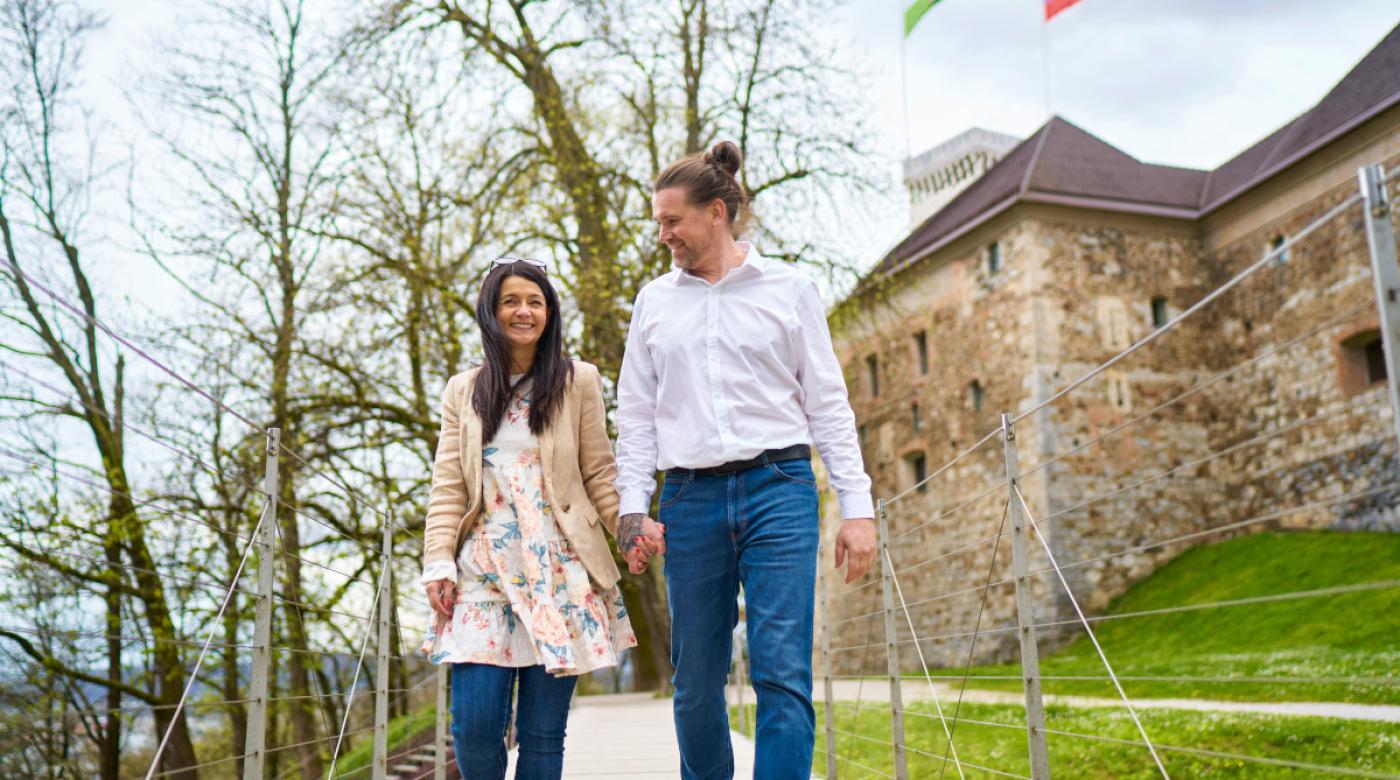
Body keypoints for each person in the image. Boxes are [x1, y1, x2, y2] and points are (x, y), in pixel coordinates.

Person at [615, 141, 878, 780]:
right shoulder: (654, 302)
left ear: (716, 213)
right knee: (696, 680)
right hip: (689, 498)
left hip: (779, 488)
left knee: (781, 669)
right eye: (658, 222)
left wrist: (858, 507)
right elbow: (636, 419)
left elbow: (828, 404)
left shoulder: (790, 290)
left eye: (671, 220)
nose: (663, 234)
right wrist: (632, 508)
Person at [420, 258, 664, 780]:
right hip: (483, 573)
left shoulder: (579, 381)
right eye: (510, 301)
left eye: (535, 301)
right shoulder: (463, 390)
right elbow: (448, 486)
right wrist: (438, 560)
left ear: (549, 311)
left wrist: (628, 529)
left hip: (560, 572)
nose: (523, 311)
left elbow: (600, 470)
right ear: (492, 310)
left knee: (542, 735)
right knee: (474, 725)